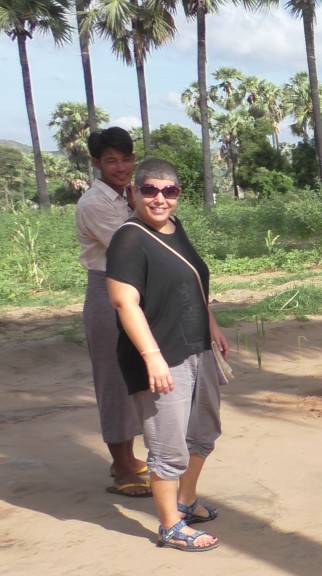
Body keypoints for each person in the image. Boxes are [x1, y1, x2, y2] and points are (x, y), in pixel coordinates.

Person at [106, 158, 229, 552]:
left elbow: (192, 282)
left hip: (197, 347)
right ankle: (170, 525)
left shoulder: (175, 228)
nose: (160, 198)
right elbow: (125, 303)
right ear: (135, 192)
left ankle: (185, 501)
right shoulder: (128, 238)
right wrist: (152, 355)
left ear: (178, 195)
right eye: (150, 190)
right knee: (167, 447)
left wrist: (211, 325)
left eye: (169, 191)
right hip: (162, 356)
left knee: (204, 433)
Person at [74, 126, 149, 498]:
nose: (121, 167)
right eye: (111, 160)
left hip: (137, 290)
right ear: (97, 163)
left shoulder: (127, 194)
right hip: (107, 290)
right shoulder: (95, 204)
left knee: (137, 375)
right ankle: (122, 467)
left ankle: (130, 456)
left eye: (126, 159)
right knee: (113, 381)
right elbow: (130, 245)